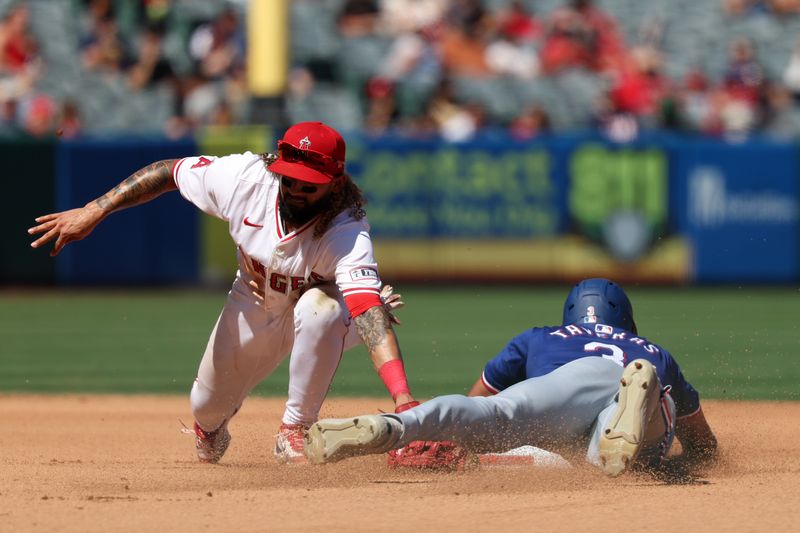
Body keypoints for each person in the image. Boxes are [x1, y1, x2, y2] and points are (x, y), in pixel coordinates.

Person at [28, 121, 421, 464]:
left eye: (309, 185)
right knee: (206, 409)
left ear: (335, 183)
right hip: (252, 301)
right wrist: (96, 209)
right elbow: (169, 171)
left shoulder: (346, 228)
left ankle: (295, 429)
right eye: (289, 178)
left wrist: (403, 400)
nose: (296, 190)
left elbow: (366, 306)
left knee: (325, 309)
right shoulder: (246, 179)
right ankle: (212, 428)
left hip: (323, 313)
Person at [304, 278, 718, 476]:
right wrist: (683, 464)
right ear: (627, 321)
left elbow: (479, 398)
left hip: (566, 382)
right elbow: (703, 444)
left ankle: (395, 426)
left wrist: (454, 438)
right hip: (621, 378)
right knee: (613, 453)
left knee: (497, 413)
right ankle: (636, 410)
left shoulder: (542, 336)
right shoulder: (651, 350)